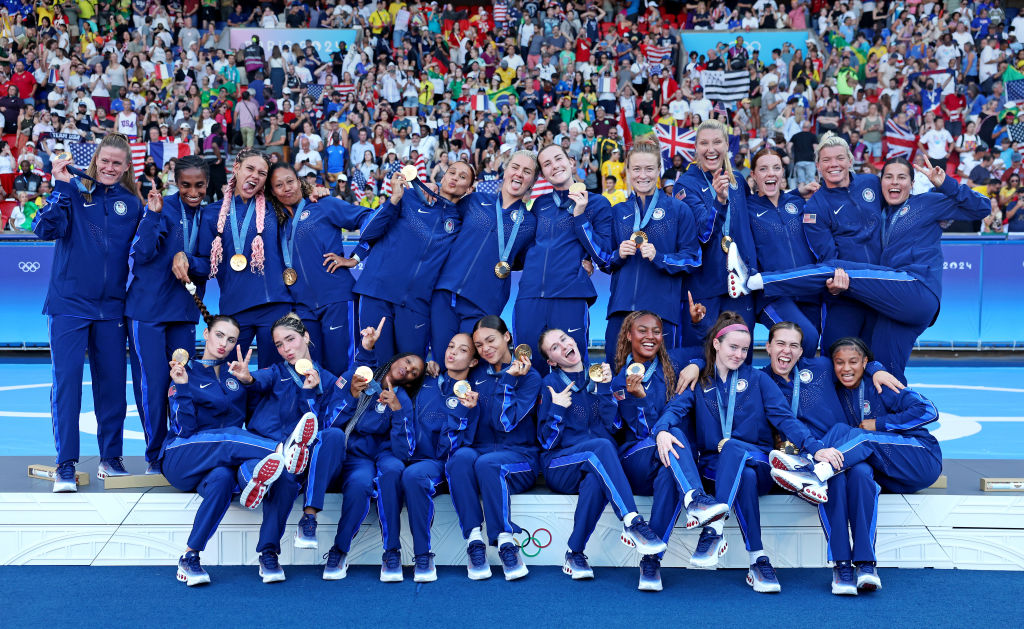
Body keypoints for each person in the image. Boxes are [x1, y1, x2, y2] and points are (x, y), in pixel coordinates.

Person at [729, 156, 991, 383]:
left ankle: (753, 282)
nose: (895, 182)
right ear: (880, 184)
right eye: (888, 177)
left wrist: (945, 184)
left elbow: (983, 207)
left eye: (902, 178)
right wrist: (800, 192)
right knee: (885, 369)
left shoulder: (928, 202)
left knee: (833, 268)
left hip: (915, 286)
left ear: (912, 184)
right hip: (896, 305)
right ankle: (895, 426)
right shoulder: (882, 213)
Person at [652, 312, 843, 593]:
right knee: (743, 475)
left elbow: (785, 420)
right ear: (717, 344)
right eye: (733, 347)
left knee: (736, 452)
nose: (740, 354)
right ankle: (758, 560)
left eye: (744, 349)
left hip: (760, 459)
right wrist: (662, 429)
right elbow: (675, 408)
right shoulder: (701, 380)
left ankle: (713, 531)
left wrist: (816, 449)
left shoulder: (758, 379)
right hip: (715, 467)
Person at [769, 336, 943, 593]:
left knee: (860, 437)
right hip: (884, 470)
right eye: (839, 362)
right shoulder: (834, 390)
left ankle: (810, 471)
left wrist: (880, 422)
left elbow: (928, 411)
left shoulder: (879, 385)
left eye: (854, 362)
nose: (846, 368)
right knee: (852, 469)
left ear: (865, 362)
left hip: (919, 458)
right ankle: (856, 565)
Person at [162, 313, 312, 586]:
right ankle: (282, 451)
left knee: (226, 480)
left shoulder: (234, 380)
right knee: (230, 437)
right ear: (205, 334)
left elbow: (251, 421)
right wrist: (182, 388)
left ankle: (191, 557)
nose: (224, 343)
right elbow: (183, 431)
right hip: (181, 456)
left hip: (216, 465)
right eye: (219, 335)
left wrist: (247, 381)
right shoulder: (186, 372)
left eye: (231, 340)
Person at [759, 322, 903, 595]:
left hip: (843, 449)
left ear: (802, 351)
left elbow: (852, 363)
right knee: (833, 483)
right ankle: (841, 565)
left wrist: (876, 368)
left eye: (793, 345)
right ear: (767, 346)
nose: (786, 351)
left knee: (861, 475)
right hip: (802, 459)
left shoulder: (822, 368)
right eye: (780, 343)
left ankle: (866, 563)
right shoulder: (759, 380)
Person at [34, 134, 144, 489]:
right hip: (69, 304)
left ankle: (110, 458)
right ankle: (65, 463)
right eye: (105, 161)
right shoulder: (75, 194)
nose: (110, 168)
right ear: (95, 161)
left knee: (112, 386)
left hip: (113, 309)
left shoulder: (132, 204)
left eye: (117, 163)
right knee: (67, 385)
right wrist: (62, 187)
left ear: (127, 166)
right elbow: (44, 229)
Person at [537, 328, 668, 582]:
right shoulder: (550, 384)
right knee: (601, 448)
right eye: (554, 347)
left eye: (564, 339)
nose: (563, 346)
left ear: (575, 341)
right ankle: (632, 521)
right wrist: (556, 409)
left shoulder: (599, 375)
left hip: (596, 462)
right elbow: (547, 442)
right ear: (552, 361)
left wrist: (606, 390)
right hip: (560, 465)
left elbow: (616, 427)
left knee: (597, 478)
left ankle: (574, 553)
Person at [611, 310, 729, 591]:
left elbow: (710, 348)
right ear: (629, 335)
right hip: (636, 460)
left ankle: (651, 561)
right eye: (642, 330)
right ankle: (696, 498)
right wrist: (638, 401)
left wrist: (697, 365)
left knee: (670, 475)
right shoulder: (619, 382)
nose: (650, 337)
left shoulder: (674, 363)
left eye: (656, 331)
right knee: (673, 434)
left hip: (670, 459)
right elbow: (641, 432)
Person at [225, 313, 330, 582]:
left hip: (295, 458)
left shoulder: (326, 380)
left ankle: (268, 553)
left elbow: (323, 424)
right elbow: (256, 380)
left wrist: (309, 393)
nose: (286, 349)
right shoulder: (276, 372)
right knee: (264, 465)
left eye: (291, 340)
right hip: (264, 448)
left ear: (306, 336)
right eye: (280, 345)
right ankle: (253, 481)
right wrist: (247, 378)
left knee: (285, 476)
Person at [126, 156, 215, 474]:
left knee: (181, 382)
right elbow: (142, 254)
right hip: (146, 311)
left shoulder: (211, 216)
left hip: (183, 312)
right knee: (152, 384)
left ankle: (178, 449)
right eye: (187, 185)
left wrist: (188, 259)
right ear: (177, 183)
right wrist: (152, 215)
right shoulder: (161, 207)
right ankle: (154, 455)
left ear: (207, 183)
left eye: (200, 185)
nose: (193, 191)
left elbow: (210, 266)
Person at [445, 315, 541, 581]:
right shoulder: (475, 374)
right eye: (479, 345)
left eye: (491, 340)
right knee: (459, 458)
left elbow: (505, 424)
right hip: (480, 456)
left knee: (489, 464)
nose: (485, 348)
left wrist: (509, 381)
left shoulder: (530, 376)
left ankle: (506, 541)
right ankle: (474, 541)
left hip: (520, 458)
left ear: (507, 337)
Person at [350, 161, 476, 363]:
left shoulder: (461, 221)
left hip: (415, 304)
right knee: (374, 366)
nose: (454, 178)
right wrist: (393, 200)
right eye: (451, 172)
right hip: (377, 292)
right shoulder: (408, 197)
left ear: (470, 189)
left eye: (462, 177)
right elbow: (367, 233)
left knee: (410, 371)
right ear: (442, 177)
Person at [513, 144, 612, 373]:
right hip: (530, 295)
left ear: (571, 162)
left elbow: (605, 255)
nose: (554, 166)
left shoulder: (597, 203)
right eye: (547, 164)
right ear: (543, 175)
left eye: (558, 159)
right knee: (528, 367)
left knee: (573, 367)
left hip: (570, 295)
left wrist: (580, 217)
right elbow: (528, 247)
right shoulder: (539, 204)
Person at [430, 152, 538, 358]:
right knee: (443, 359)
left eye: (527, 171)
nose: (519, 174)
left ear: (533, 180)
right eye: (515, 167)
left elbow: (521, 260)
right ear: (505, 171)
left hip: (484, 302)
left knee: (471, 364)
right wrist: (435, 190)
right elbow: (445, 220)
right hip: (446, 293)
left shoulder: (530, 222)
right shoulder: (474, 200)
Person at [601, 140, 701, 359]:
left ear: (658, 171)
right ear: (627, 172)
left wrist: (660, 257)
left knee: (662, 384)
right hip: (621, 311)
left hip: (661, 313)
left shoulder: (678, 209)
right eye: (636, 169)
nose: (642, 175)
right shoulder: (618, 212)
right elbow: (605, 262)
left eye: (649, 169)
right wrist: (618, 254)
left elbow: (693, 259)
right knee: (617, 382)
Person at [265, 163, 368, 375]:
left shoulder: (323, 204)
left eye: (291, 181)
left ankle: (346, 409)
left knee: (344, 367)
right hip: (303, 307)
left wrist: (356, 257)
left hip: (336, 298)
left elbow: (370, 218)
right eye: (279, 185)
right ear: (272, 191)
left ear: (300, 182)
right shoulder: (278, 222)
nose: (287, 188)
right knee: (312, 368)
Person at [194, 148, 291, 369]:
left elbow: (300, 199)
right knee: (232, 379)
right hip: (235, 308)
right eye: (250, 168)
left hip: (275, 305)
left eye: (262, 173)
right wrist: (184, 259)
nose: (255, 175)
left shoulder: (276, 206)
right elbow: (205, 262)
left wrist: (315, 191)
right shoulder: (211, 213)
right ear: (236, 168)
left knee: (273, 378)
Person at [401, 332, 480, 582]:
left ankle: (475, 544)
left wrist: (463, 413)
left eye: (463, 350)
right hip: (423, 463)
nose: (452, 352)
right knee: (411, 473)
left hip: (453, 465)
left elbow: (454, 448)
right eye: (450, 346)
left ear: (474, 362)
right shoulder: (425, 381)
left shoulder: (473, 397)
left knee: (459, 458)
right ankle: (423, 555)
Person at [675, 119, 756, 355]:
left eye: (717, 142)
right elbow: (702, 233)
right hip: (705, 285)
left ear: (727, 145)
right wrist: (719, 202)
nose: (711, 149)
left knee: (741, 356)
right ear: (696, 149)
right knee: (704, 356)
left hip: (739, 285)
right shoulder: (685, 185)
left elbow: (748, 222)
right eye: (704, 143)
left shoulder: (738, 180)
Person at [797, 133, 882, 352]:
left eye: (840, 158)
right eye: (826, 160)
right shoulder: (815, 207)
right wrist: (836, 289)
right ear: (818, 165)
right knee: (836, 360)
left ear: (850, 161)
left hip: (882, 291)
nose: (834, 164)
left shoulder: (871, 183)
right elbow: (828, 258)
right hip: (845, 296)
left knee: (878, 362)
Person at [744, 147, 821, 356]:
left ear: (783, 174)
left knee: (807, 350)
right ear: (753, 175)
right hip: (773, 295)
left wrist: (798, 193)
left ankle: (791, 388)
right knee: (805, 338)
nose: (770, 173)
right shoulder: (746, 208)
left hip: (808, 290)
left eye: (776, 168)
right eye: (763, 169)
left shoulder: (797, 202)